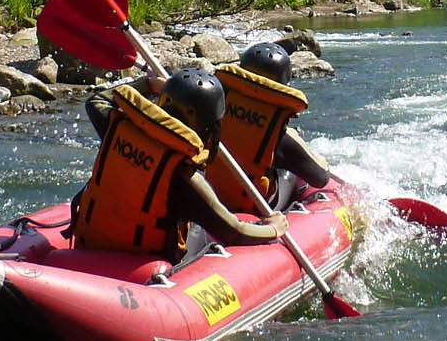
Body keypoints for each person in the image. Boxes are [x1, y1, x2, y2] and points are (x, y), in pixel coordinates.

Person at [73, 67, 290, 261]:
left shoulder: (119, 128)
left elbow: (97, 101)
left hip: (88, 246)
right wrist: (273, 229)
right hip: (142, 270)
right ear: (209, 129)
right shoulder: (186, 178)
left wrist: (147, 84)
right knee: (202, 232)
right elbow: (233, 232)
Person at [213, 42, 332, 213]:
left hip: (207, 193)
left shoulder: (213, 110)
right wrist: (318, 158)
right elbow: (320, 178)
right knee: (290, 171)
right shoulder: (278, 135)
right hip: (254, 205)